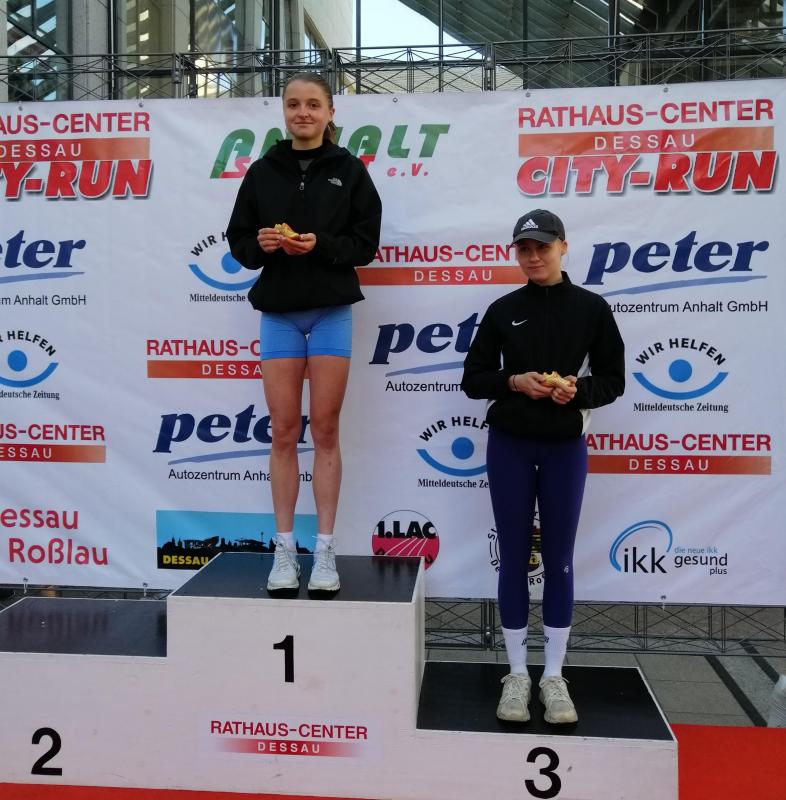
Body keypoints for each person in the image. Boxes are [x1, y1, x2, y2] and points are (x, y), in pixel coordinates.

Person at [461, 209, 624, 724]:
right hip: (509, 444)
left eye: (542, 247)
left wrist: (578, 392)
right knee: (513, 558)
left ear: (563, 247)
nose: (533, 257)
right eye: (524, 249)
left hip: (563, 448)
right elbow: (473, 378)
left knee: (559, 559)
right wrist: (514, 382)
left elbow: (614, 379)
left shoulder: (592, 308)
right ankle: (516, 675)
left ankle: (553, 675)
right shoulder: (503, 309)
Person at [226, 73, 382, 593]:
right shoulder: (262, 171)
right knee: (284, 430)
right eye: (294, 104)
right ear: (284, 112)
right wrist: (263, 245)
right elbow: (239, 241)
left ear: (330, 112)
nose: (303, 113)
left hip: (331, 310)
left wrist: (321, 246)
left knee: (327, 430)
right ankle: (284, 551)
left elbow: (365, 244)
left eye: (313, 104)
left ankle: (326, 552)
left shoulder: (350, 170)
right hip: (279, 313)